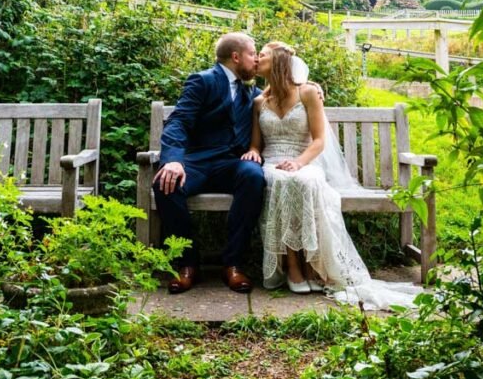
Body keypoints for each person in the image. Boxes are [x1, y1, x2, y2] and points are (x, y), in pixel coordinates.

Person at [241, 41, 422, 310]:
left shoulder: (309, 93)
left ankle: (311, 265)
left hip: (305, 159)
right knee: (281, 181)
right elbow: (257, 143)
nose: (256, 60)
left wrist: (299, 162)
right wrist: (253, 152)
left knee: (304, 180)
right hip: (273, 163)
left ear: (278, 62)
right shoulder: (258, 101)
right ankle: (292, 265)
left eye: (262, 56)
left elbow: (318, 141)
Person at [153, 32, 265, 294]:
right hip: (198, 161)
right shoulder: (203, 81)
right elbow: (179, 121)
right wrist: (172, 161)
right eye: (252, 53)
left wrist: (309, 86)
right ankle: (187, 263)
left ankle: (233, 263)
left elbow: (286, 93)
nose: (257, 60)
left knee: (254, 176)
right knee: (165, 184)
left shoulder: (253, 92)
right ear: (236, 57)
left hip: (233, 163)